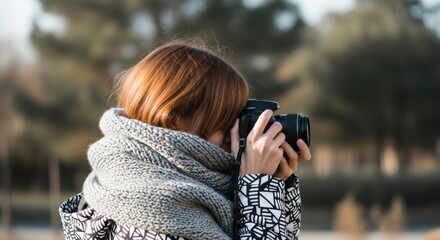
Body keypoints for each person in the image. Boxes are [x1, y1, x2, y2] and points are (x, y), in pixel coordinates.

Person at [59, 39, 311, 240]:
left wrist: (275, 185)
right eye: (226, 118)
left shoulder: (132, 186)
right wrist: (258, 185)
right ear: (175, 118)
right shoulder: (155, 209)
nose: (236, 131)